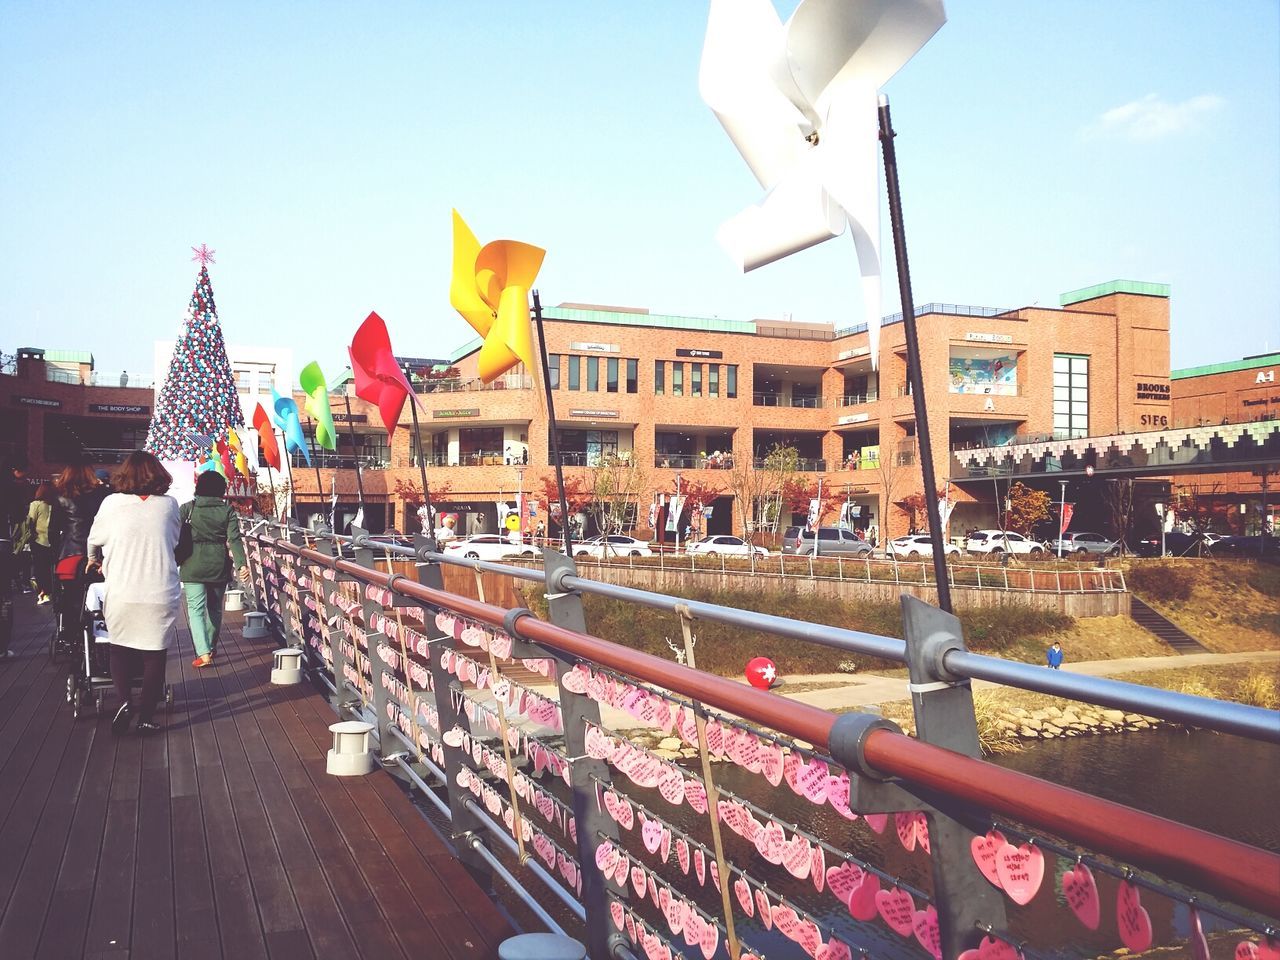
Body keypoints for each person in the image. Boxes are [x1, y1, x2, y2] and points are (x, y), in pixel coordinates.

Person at [86, 451, 181, 735]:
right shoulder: (169, 505)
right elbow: (174, 541)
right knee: (155, 654)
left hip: (122, 589)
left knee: (119, 648)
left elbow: (95, 538)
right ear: (158, 475)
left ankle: (125, 701)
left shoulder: (111, 502)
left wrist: (94, 558)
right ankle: (146, 717)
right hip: (160, 591)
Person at [179, 471, 248, 668]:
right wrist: (241, 563)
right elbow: (234, 539)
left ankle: (203, 653)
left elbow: (172, 532)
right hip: (218, 563)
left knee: (195, 609)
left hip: (192, 563)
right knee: (215, 609)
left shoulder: (187, 508)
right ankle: (210, 646)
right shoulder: (227, 511)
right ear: (220, 489)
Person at [51, 463, 111, 644]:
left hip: (70, 555)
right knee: (99, 596)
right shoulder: (102, 495)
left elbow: (53, 531)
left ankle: (72, 635)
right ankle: (101, 634)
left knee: (70, 598)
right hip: (99, 556)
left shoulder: (61, 497)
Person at [26, 483, 56, 604]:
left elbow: (30, 521)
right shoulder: (55, 505)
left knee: (40, 568)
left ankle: (43, 593)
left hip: (39, 540)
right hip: (53, 541)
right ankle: (53, 591)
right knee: (51, 568)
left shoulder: (36, 504)